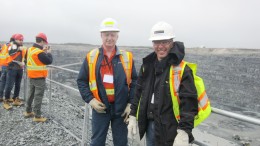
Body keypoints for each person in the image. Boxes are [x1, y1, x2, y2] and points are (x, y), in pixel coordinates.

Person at [127, 22, 211, 146]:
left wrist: (184, 132)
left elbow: (188, 104)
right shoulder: (147, 66)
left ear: (172, 43)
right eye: (156, 42)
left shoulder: (182, 70)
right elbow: (139, 91)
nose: (160, 46)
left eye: (164, 42)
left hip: (172, 131)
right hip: (150, 126)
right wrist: (133, 115)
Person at [77, 18, 137, 146]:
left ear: (117, 36)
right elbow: (81, 81)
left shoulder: (127, 57)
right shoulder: (91, 56)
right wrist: (91, 100)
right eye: (106, 34)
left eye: (113, 34)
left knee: (121, 143)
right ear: (101, 36)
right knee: (97, 142)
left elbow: (135, 82)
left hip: (121, 110)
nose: (109, 38)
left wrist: (131, 103)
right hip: (100, 109)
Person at [23, 33, 53, 122]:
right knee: (38, 96)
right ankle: (37, 116)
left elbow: (26, 61)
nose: (45, 44)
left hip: (31, 76)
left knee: (30, 94)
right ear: (42, 41)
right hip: (39, 77)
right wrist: (49, 53)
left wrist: (44, 52)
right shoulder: (39, 53)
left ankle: (28, 111)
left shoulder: (30, 50)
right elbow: (49, 61)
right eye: (44, 42)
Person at [4, 34, 27, 108]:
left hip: (20, 69)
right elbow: (11, 53)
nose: (21, 41)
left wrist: (24, 63)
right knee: (9, 85)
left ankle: (15, 99)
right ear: (16, 40)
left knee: (18, 85)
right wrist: (18, 49)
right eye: (19, 40)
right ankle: (6, 101)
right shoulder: (12, 45)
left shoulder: (23, 48)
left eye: (22, 40)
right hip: (12, 68)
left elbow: (25, 57)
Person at [0, 34, 16, 108]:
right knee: (7, 83)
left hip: (2, 65)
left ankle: (1, 97)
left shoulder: (4, 45)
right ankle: (7, 98)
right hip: (7, 66)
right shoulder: (11, 46)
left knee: (2, 82)